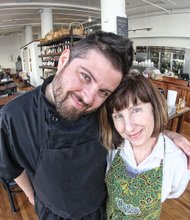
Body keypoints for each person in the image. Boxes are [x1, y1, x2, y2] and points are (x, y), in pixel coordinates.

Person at [0, 31, 189, 220]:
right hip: (51, 214)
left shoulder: (104, 108)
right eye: (85, 76)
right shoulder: (14, 115)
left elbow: (130, 123)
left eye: (103, 91)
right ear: (64, 59)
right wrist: (34, 198)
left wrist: (165, 134)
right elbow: (12, 166)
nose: (89, 98)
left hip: (99, 212)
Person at [100, 72, 190, 219]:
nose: (128, 127)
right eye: (118, 116)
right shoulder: (113, 149)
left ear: (154, 107)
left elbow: (175, 191)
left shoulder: (176, 160)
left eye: (136, 110)